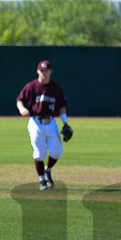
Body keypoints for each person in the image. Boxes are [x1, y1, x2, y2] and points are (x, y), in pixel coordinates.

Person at [16, 60, 73, 191]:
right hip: (36, 123)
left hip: (51, 122)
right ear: (37, 71)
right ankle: (42, 179)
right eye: (42, 71)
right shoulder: (32, 86)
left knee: (57, 151)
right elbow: (20, 100)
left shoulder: (56, 88)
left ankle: (48, 170)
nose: (44, 73)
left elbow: (61, 107)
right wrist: (21, 109)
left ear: (50, 72)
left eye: (46, 71)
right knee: (39, 154)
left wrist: (65, 123)